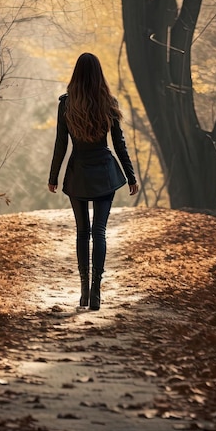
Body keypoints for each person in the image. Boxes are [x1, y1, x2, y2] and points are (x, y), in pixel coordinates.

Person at [48, 53, 139, 311]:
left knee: (82, 232)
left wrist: (53, 176)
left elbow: (61, 144)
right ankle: (97, 292)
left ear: (76, 74)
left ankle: (84, 292)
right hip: (104, 172)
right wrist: (130, 175)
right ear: (99, 74)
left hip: (78, 172)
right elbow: (118, 143)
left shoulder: (66, 104)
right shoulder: (108, 102)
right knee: (99, 231)